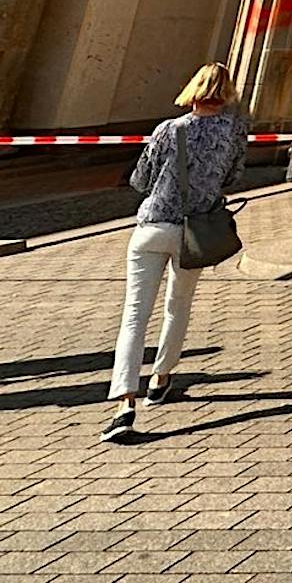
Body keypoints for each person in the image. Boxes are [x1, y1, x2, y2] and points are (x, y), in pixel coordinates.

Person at [102, 62, 248, 444]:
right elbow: (233, 177)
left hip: (153, 227)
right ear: (226, 92)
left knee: (135, 314)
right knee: (178, 305)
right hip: (195, 231)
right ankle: (162, 378)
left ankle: (124, 404)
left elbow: (141, 180)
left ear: (193, 89)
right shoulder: (234, 130)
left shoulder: (169, 129)